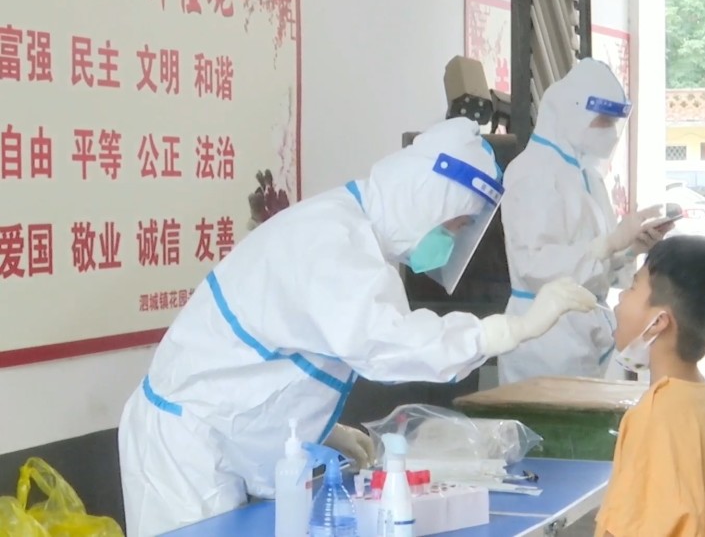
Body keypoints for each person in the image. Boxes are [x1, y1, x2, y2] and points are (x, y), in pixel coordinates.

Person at [117, 118, 599, 536]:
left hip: (226, 440)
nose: (450, 243)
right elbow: (391, 346)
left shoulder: (355, 238)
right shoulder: (332, 242)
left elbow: (284, 353)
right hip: (187, 450)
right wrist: (509, 330)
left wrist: (322, 431)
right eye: (453, 226)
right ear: (426, 197)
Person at [499, 58, 668, 385]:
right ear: (573, 114)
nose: (610, 132)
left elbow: (594, 261)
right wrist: (608, 244)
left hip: (585, 329)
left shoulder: (586, 175)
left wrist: (629, 248)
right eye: (602, 121)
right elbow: (534, 265)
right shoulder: (533, 173)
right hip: (545, 337)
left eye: (614, 122)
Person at [595, 236, 705, 536]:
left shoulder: (655, 417)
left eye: (632, 287)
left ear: (658, 323)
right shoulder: (699, 396)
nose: (620, 298)